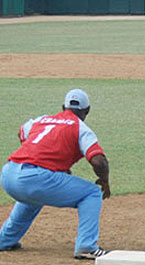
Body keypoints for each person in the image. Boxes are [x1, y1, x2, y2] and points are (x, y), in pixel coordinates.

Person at [0, 88, 111, 260]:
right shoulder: (81, 128)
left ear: (63, 106)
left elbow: (22, 131)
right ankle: (86, 246)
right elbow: (98, 161)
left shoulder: (42, 119)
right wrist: (104, 181)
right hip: (33, 179)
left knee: (34, 196)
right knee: (91, 193)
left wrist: (42, 157)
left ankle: (4, 240)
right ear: (87, 110)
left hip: (8, 173)